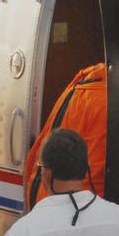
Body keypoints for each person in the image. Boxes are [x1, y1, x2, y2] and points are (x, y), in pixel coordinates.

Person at [22, 62, 107, 209]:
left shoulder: (79, 88)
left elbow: (40, 149)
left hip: (47, 199)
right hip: (74, 209)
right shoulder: (105, 102)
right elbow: (94, 177)